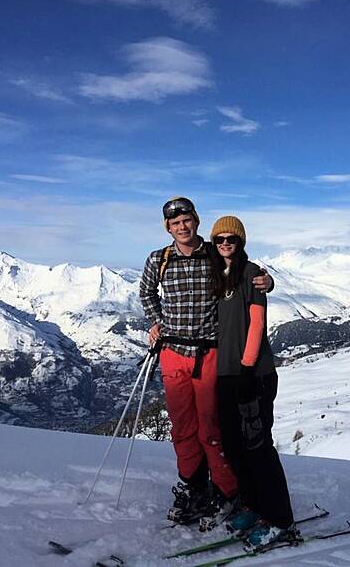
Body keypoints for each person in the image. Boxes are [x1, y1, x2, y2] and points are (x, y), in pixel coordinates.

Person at [138, 197, 272, 525]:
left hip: (210, 352)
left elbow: (247, 274)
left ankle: (227, 490)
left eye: (187, 220)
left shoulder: (215, 252)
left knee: (211, 428)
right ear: (168, 228)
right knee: (182, 427)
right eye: (175, 223)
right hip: (172, 352)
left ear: (196, 221)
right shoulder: (159, 259)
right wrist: (156, 321)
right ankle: (194, 485)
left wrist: (268, 283)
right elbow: (146, 293)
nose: (182, 227)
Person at [210, 216, 297, 551]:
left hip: (253, 375)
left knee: (259, 448)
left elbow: (257, 323)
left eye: (232, 239)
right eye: (220, 240)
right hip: (226, 375)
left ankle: (280, 520)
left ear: (241, 242)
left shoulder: (251, 274)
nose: (226, 244)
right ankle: (253, 506)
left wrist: (247, 369)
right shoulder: (220, 275)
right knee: (234, 446)